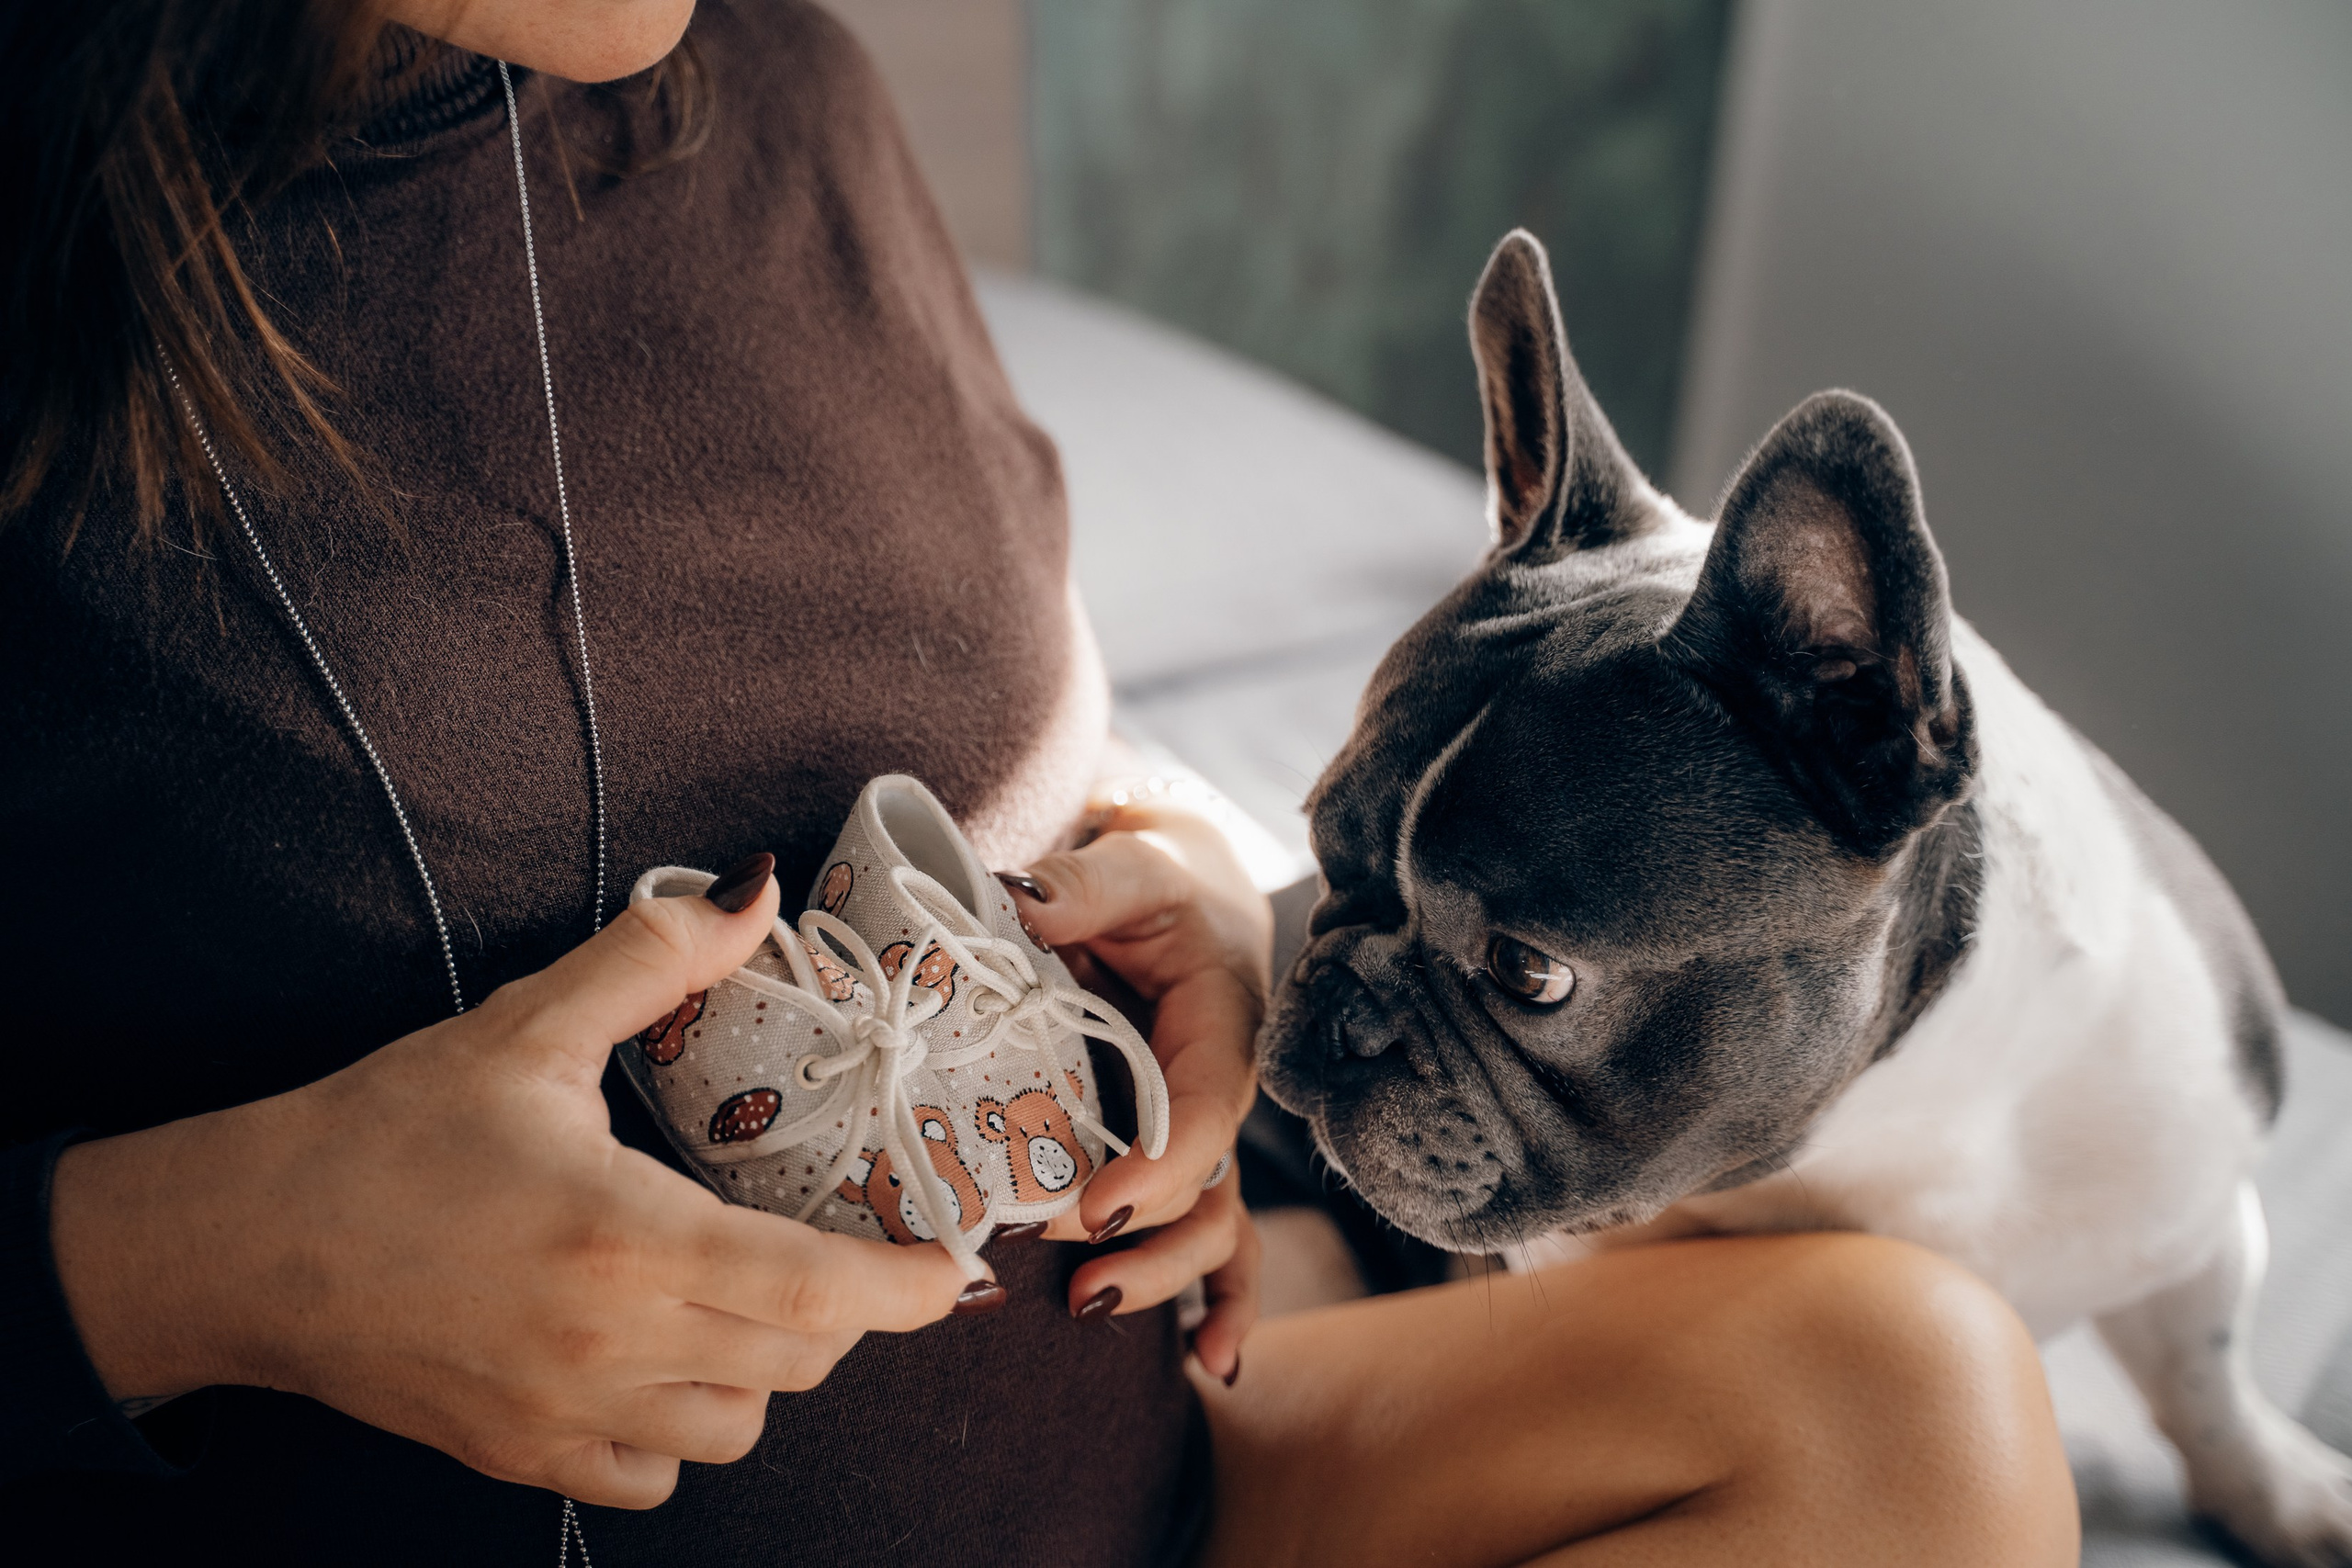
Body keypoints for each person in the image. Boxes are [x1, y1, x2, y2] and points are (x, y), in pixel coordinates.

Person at [0, 0, 2079, 1562]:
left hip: (1151, 1461)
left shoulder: (771, 81)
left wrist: (1170, 873)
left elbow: (964, 693)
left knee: (1913, 1404)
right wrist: (222, 1262)